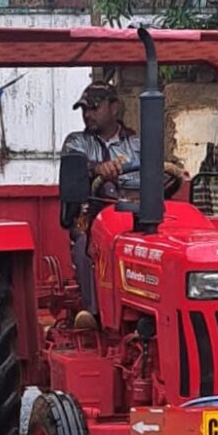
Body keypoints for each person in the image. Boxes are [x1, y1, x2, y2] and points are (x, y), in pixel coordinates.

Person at [61, 81, 142, 329]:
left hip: (136, 219)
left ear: (114, 108)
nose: (87, 115)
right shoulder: (76, 142)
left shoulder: (137, 143)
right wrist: (99, 170)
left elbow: (153, 175)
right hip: (91, 219)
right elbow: (76, 166)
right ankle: (94, 315)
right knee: (86, 243)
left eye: (94, 108)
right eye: (84, 110)